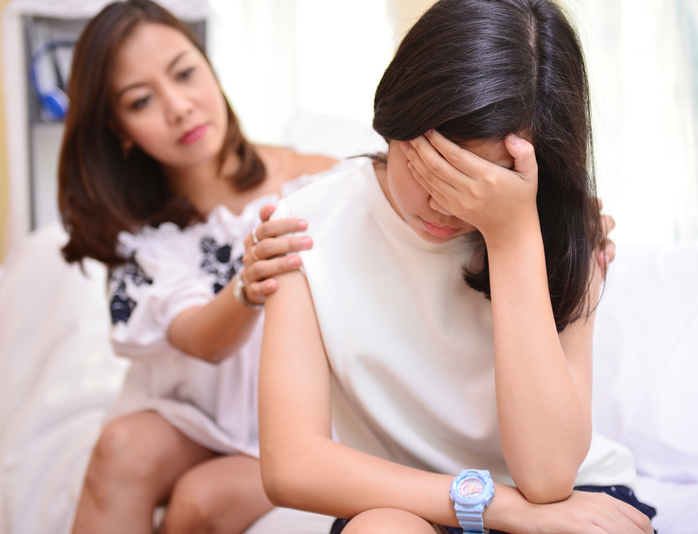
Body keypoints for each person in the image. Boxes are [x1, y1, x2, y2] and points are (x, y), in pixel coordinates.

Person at [258, 0, 656, 532]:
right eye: (433, 169)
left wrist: (513, 236)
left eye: (482, 183)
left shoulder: (565, 231)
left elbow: (547, 477)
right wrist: (500, 506)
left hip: (563, 499)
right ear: (395, 118)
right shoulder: (306, 228)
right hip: (411, 502)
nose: (445, 205)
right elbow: (291, 466)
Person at [57, 1, 337, 533]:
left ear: (210, 67)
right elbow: (202, 341)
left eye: (185, 73)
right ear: (118, 128)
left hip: (296, 423)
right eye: (142, 100)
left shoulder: (319, 184)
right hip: (192, 418)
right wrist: (247, 287)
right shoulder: (139, 238)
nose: (179, 106)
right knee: (118, 449)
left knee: (200, 502)